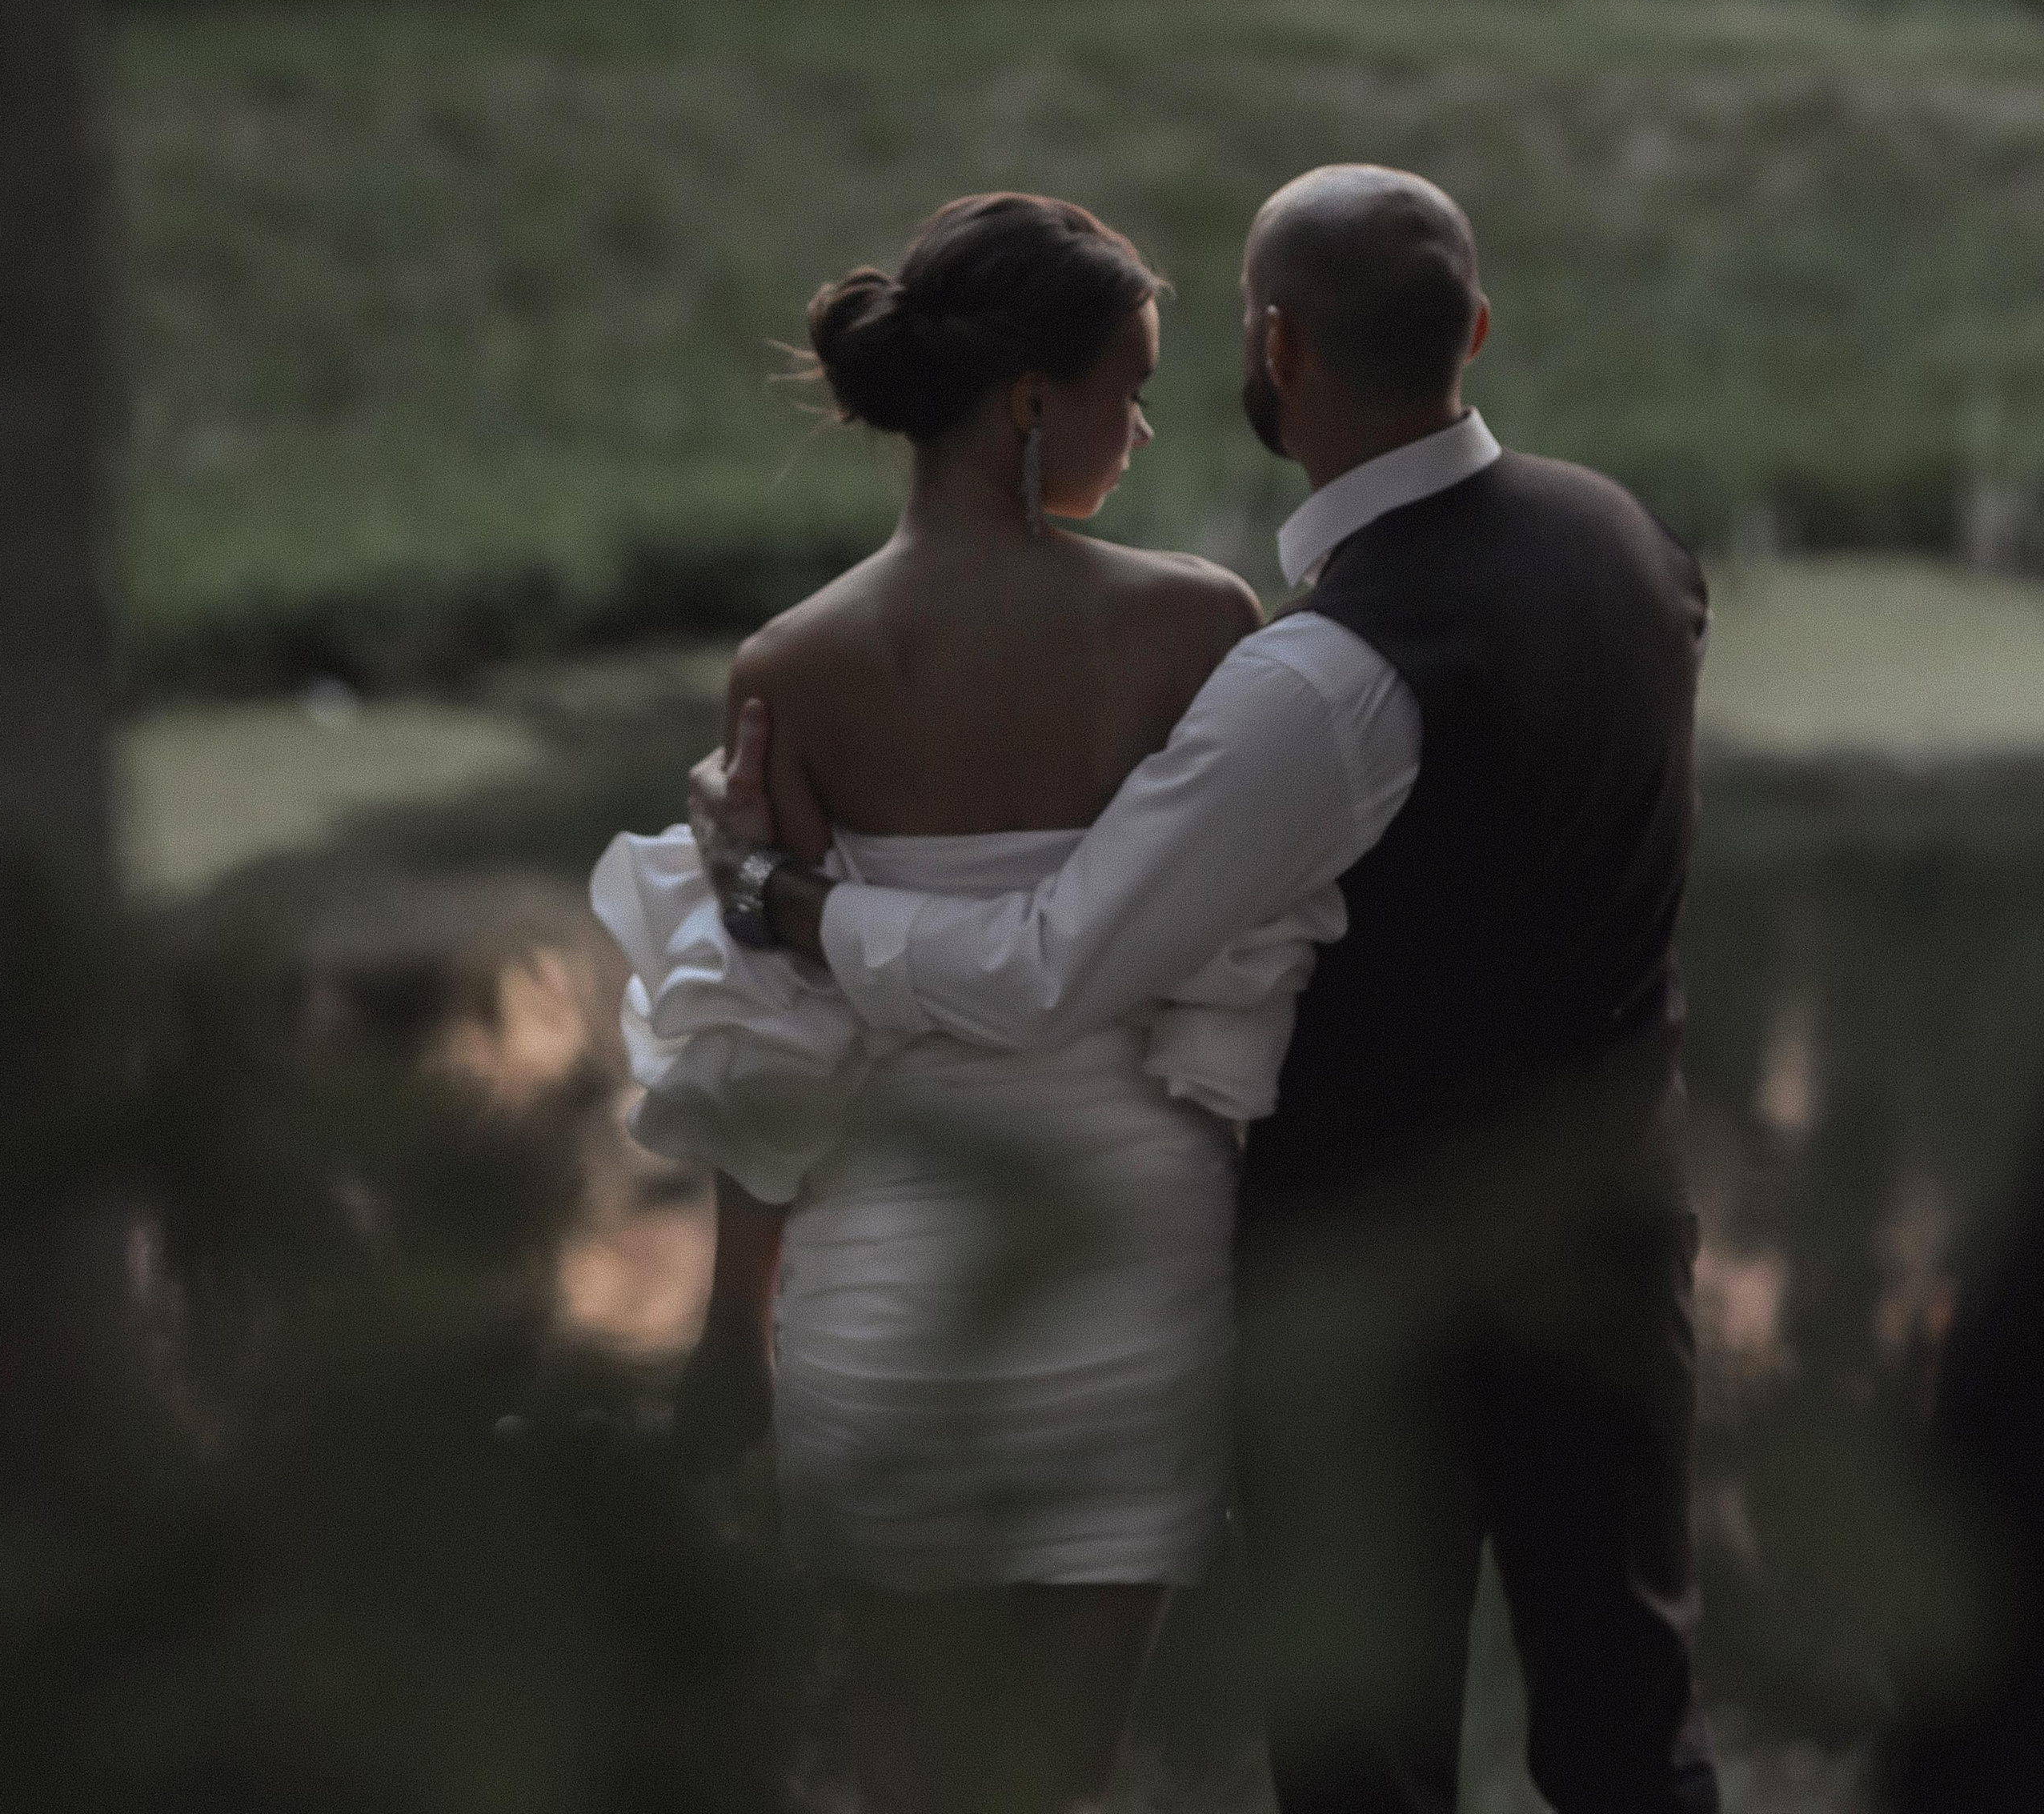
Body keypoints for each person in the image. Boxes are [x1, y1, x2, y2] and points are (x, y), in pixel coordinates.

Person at [694, 164, 1721, 1814]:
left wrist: (785, 901)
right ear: (1470, 326)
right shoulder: (1626, 542)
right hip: (1609, 1242)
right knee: (1629, 1739)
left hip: (1371, 1301)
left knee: (1362, 1768)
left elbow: (1042, 966)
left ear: (1273, 346)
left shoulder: (1321, 676)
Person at [593, 190, 1326, 1814]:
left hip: (884, 1279)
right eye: (1125, 388)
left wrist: (734, 1341)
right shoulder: (1196, 624)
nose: (1139, 429)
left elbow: (768, 1032)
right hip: (1134, 1261)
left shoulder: (792, 663)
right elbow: (1262, 966)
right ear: (1023, 402)